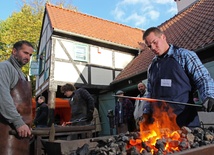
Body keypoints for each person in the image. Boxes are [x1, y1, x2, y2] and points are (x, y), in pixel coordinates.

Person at [142, 27, 214, 128]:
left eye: (155, 42)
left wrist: (209, 96)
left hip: (185, 123)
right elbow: (149, 92)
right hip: (161, 125)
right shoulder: (151, 67)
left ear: (163, 37)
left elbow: (202, 78)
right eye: (149, 46)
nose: (153, 48)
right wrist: (146, 111)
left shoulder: (184, 56)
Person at [0, 40, 34, 155]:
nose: (28, 57)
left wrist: (27, 126)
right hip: (6, 131)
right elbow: (2, 96)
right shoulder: (5, 68)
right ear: (14, 51)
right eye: (25, 53)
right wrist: (18, 122)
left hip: (20, 132)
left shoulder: (21, 75)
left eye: (30, 55)